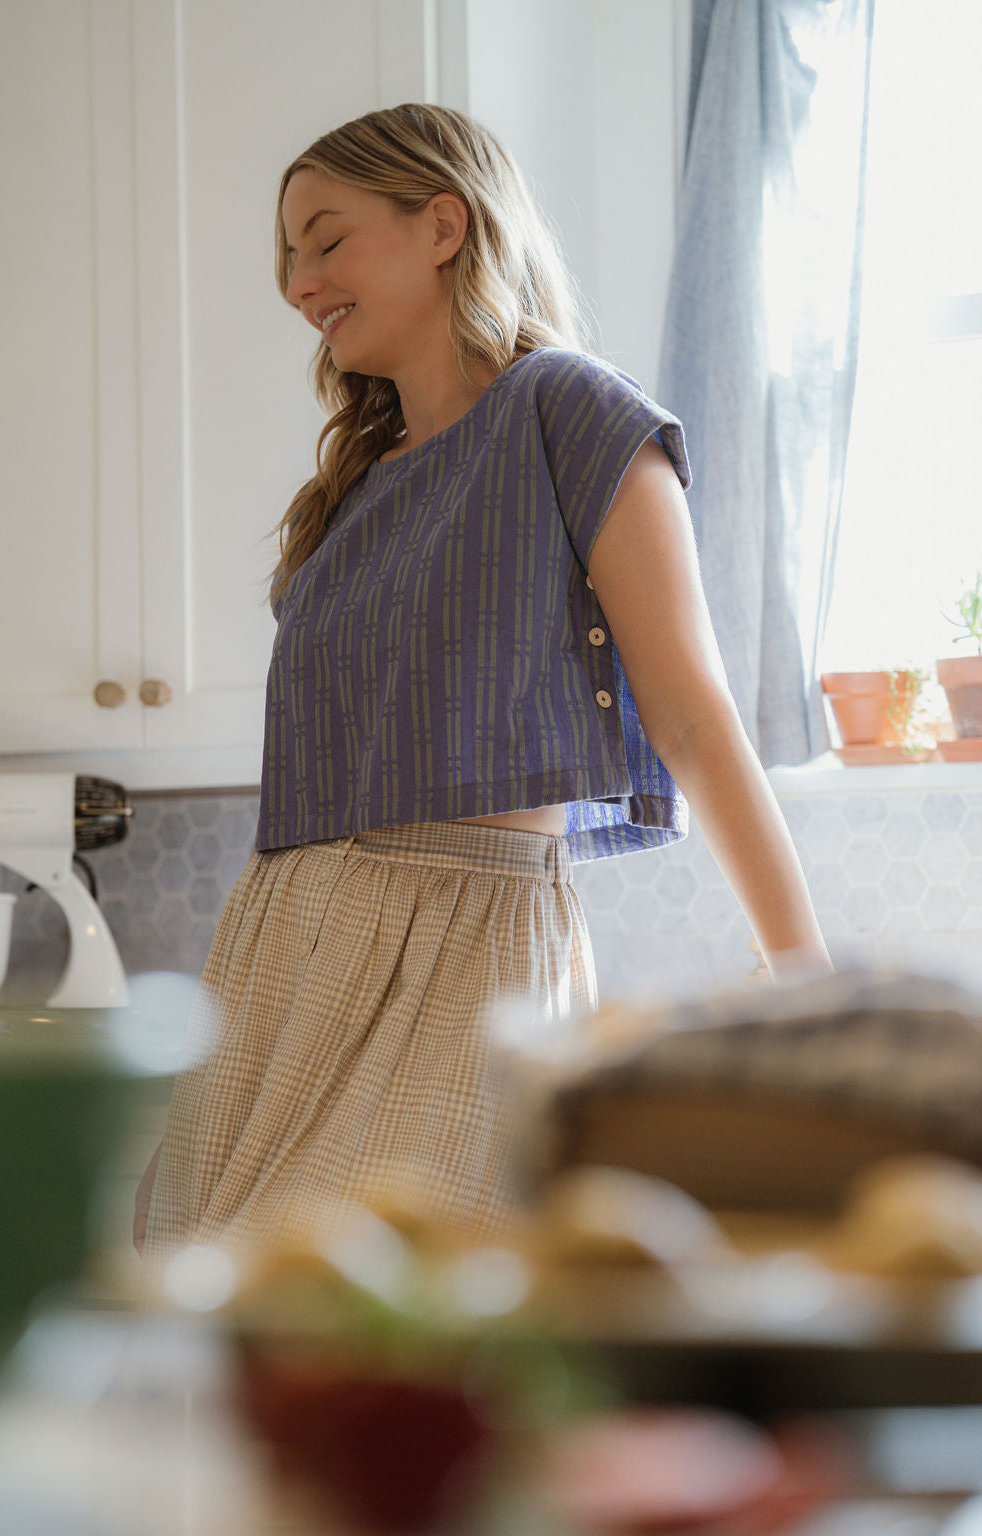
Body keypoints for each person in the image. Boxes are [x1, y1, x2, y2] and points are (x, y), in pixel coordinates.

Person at [135, 102, 830, 1261]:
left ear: (443, 224)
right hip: (280, 959)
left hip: (464, 951)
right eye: (288, 258)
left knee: (374, 1311)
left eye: (325, 239)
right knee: (227, 1328)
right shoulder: (349, 493)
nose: (297, 284)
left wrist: (803, 975)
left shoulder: (569, 410)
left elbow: (695, 717)